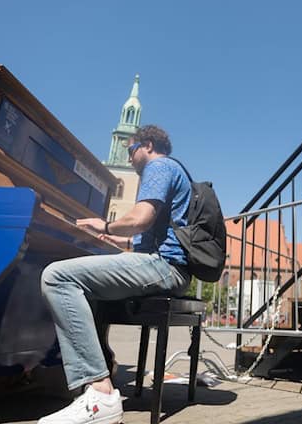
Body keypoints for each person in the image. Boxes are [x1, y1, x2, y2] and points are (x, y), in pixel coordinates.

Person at [38, 125, 192, 424]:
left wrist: (104, 226)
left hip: (165, 267)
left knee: (58, 277)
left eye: (131, 151)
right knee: (87, 289)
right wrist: (119, 241)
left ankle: (101, 393)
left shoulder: (158, 166)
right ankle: (97, 374)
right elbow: (146, 236)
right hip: (168, 264)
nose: (130, 158)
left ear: (147, 145)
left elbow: (140, 219)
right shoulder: (174, 170)